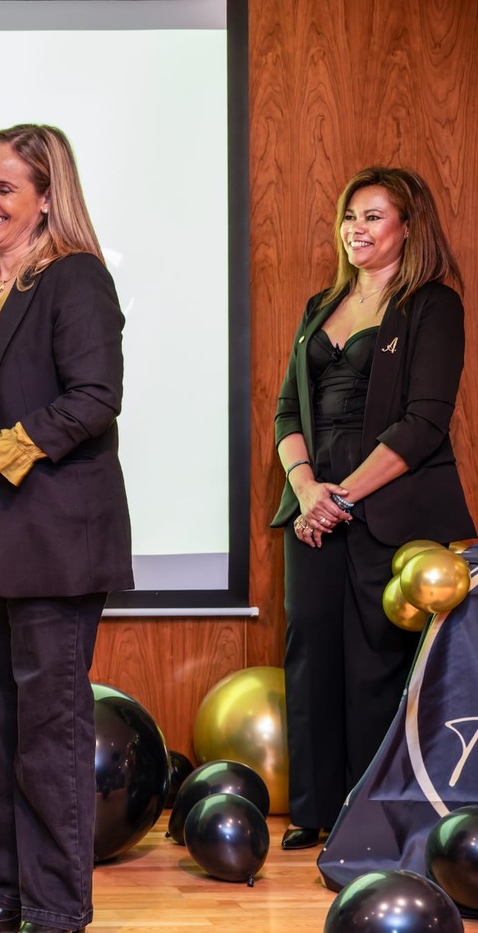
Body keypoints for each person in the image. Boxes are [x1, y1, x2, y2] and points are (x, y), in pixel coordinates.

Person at [0, 124, 132, 933]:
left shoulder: (76, 280)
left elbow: (93, 399)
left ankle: (57, 903)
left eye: (5, 187)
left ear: (47, 195)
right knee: (2, 721)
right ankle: (10, 887)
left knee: (51, 725)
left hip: (54, 533)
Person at [271, 166, 474, 850]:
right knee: (311, 656)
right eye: (349, 216)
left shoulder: (433, 304)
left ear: (408, 227)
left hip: (389, 511)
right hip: (313, 512)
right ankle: (313, 810)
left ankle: (370, 814)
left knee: (375, 662)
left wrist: (344, 495)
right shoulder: (316, 307)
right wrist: (306, 490)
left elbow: (423, 424)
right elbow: (285, 411)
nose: (356, 228)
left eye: (374, 216)